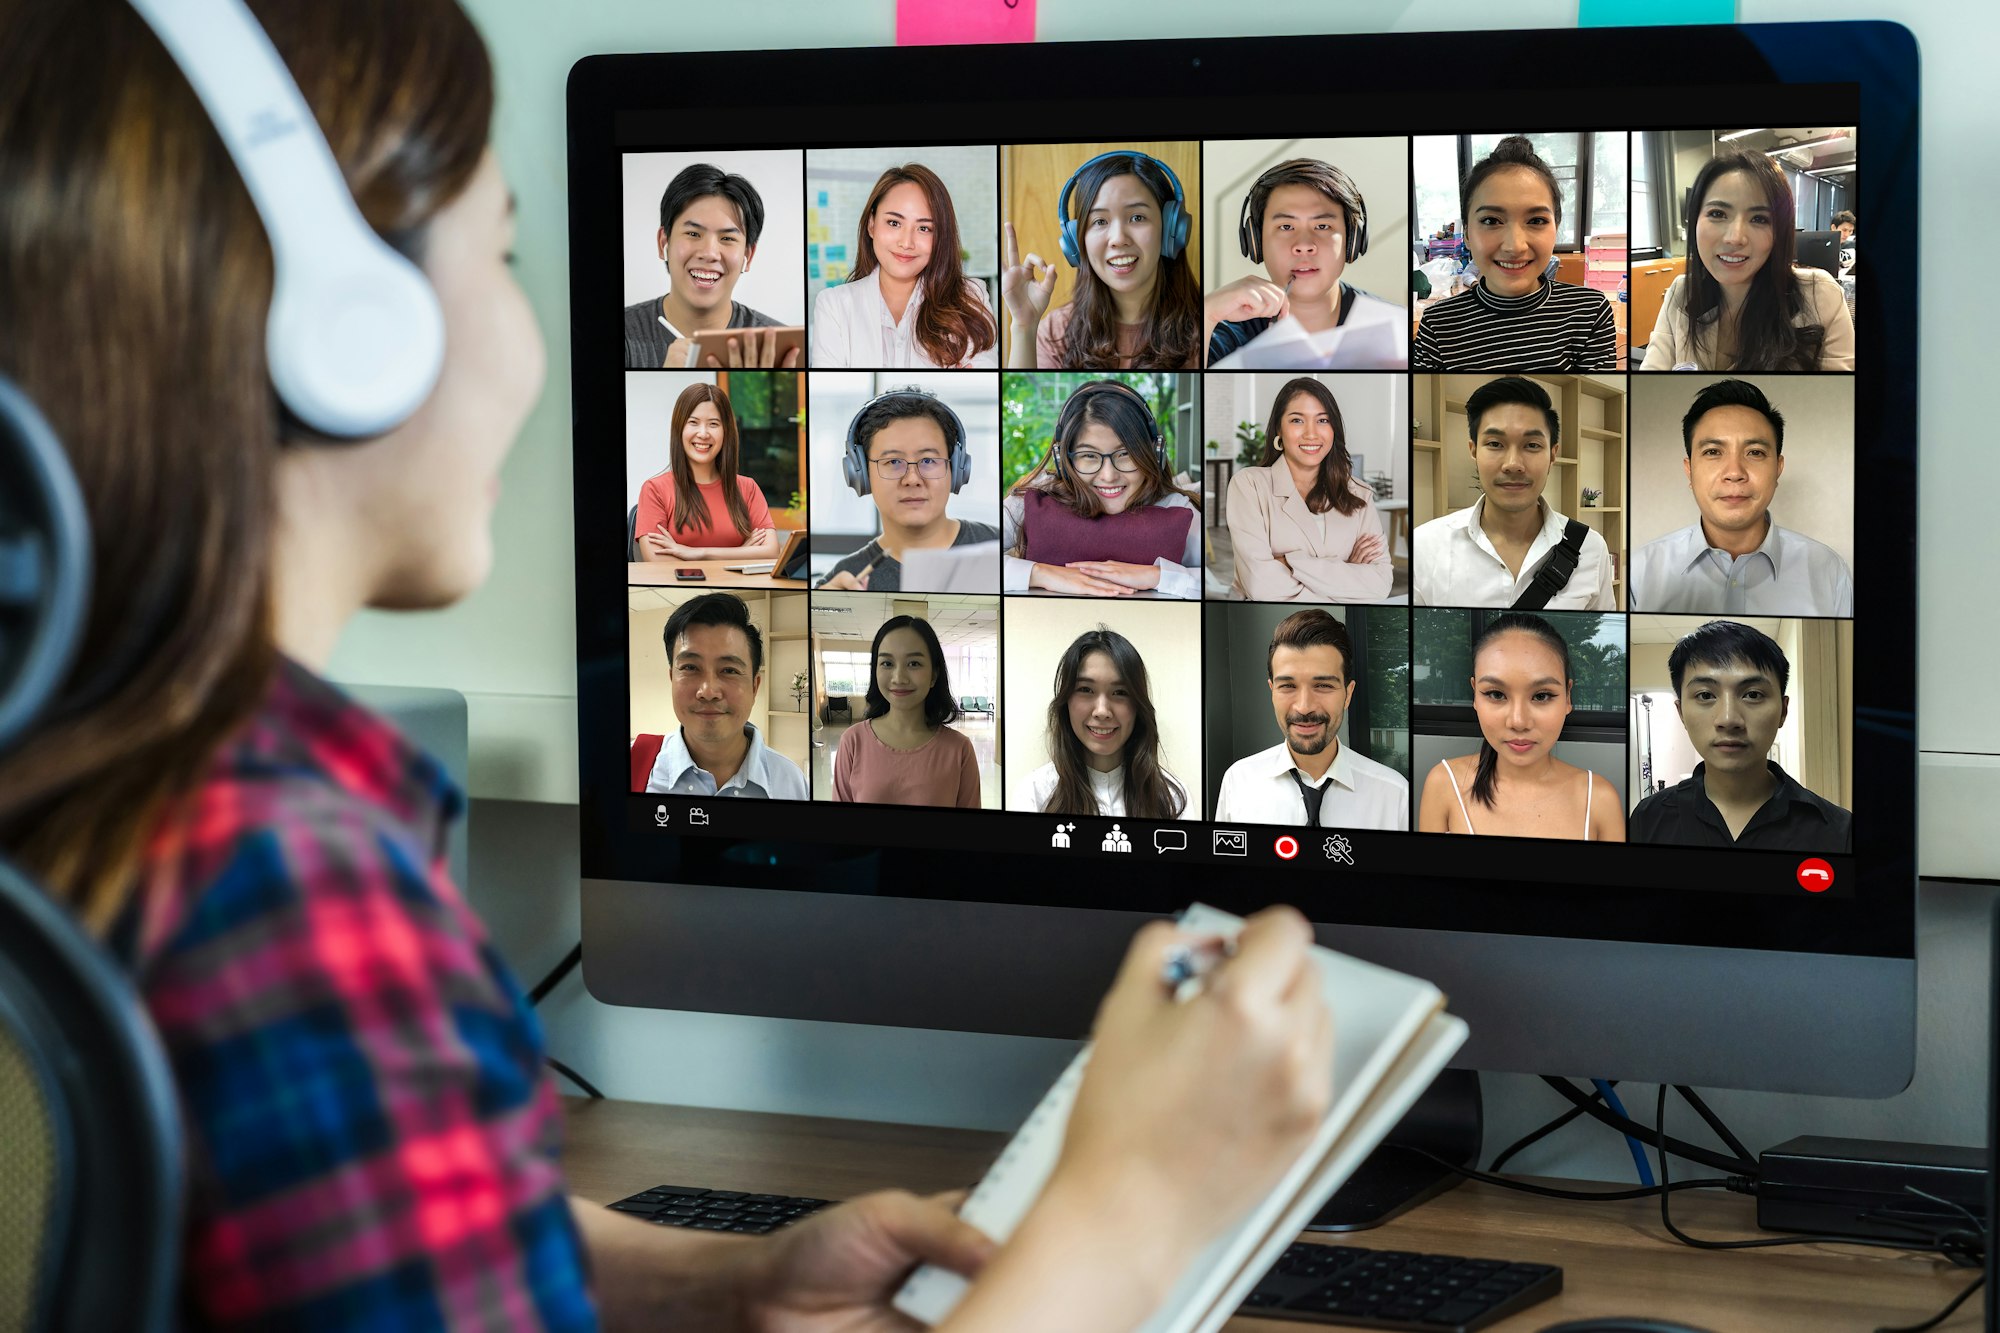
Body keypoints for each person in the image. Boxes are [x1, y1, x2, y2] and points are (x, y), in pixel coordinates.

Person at [0, 5, 1335, 1328]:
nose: (532, 348)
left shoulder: (95, 782)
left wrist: (729, 1279)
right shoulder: (290, 900)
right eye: (504, 259)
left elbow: (384, 1239)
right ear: (352, 334)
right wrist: (1141, 1201)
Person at [1629, 379, 1853, 616]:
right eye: (1713, 452)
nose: (1734, 473)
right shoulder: (1641, 571)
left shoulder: (1828, 570)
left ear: (1778, 468)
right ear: (1689, 470)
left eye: (1755, 452)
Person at [1630, 620, 1851, 850]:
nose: (1728, 719)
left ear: (1783, 711)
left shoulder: (1838, 831)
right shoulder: (1647, 819)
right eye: (1705, 695)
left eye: (1753, 694)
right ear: (1681, 713)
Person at [1411, 136, 1617, 371]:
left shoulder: (1589, 312)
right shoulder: (1438, 325)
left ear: (1556, 228)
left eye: (1536, 220)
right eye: (1491, 220)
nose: (1515, 246)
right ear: (1466, 233)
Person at [1640, 149, 1855, 372]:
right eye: (1717, 214)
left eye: (1759, 219)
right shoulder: (1681, 293)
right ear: (1694, 220)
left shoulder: (1820, 295)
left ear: (1779, 232)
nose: (1734, 238)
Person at [1412, 376, 1615, 610]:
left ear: (1552, 455)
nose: (1513, 464)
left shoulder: (1591, 548)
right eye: (1495, 444)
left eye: (1532, 445)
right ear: (1474, 451)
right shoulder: (1425, 546)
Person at [1418, 614, 1626, 840]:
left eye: (1542, 696)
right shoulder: (1444, 783)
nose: (1518, 721)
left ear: (1567, 697)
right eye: (1496, 694)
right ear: (1475, 694)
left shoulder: (1600, 799)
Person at [1003, 151, 1203, 369]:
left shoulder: (1209, 326)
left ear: (1171, 229)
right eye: (1100, 221)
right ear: (1077, 242)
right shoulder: (1056, 332)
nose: (1118, 239)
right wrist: (1024, 328)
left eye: (1137, 217)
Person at [1003, 380, 1201, 598]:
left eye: (1125, 454)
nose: (1108, 476)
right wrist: (1039, 574)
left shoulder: (1175, 507)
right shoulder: (1033, 499)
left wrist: (1157, 576)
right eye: (1089, 455)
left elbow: (1221, 583)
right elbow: (972, 562)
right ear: (1063, 461)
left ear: (1154, 454)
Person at [1213, 610, 1409, 829]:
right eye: (1287, 686)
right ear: (1272, 691)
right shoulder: (1238, 781)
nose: (1304, 707)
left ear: (1348, 694)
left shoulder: (1394, 794)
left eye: (1323, 686)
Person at [1204, 157, 1407, 367]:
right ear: (1255, 241)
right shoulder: (1219, 331)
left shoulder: (1395, 327)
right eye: (1286, 227)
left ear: (1353, 239)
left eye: (1322, 226)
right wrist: (1207, 313)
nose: (1303, 245)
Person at [810, 163, 999, 368]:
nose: (906, 243)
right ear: (871, 224)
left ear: (940, 236)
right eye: (894, 223)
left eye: (924, 228)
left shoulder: (970, 296)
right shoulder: (834, 305)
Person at [816, 388, 1000, 592]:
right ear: (862, 476)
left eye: (928, 460)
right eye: (893, 461)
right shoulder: (841, 582)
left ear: (956, 469)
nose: (912, 479)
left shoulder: (1003, 548)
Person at [1228, 378, 1393, 602]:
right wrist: (1347, 572)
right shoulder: (1249, 485)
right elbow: (1261, 588)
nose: (1311, 434)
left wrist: (1289, 562)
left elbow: (1380, 585)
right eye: (1297, 420)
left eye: (1322, 420)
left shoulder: (1358, 493)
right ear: (1279, 428)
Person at [622, 162, 800, 369]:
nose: (709, 253)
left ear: (748, 256)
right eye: (693, 234)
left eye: (727, 238)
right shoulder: (624, 333)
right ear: (664, 243)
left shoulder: (779, 348)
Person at [636, 593, 809, 799]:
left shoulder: (792, 784)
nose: (708, 692)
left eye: (729, 670)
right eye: (690, 667)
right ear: (672, 678)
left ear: (755, 687)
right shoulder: (633, 763)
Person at [1010, 626, 1190, 818]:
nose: (1102, 711)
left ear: (1138, 705)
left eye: (1120, 692)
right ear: (1066, 700)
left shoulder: (1172, 798)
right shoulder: (1034, 795)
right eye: (1086, 690)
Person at [831, 616, 982, 807]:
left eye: (914, 663)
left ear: (934, 675)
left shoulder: (959, 749)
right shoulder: (852, 741)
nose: (899, 678)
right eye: (887, 663)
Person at [632, 382, 779, 563]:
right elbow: (658, 563)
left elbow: (772, 551)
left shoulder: (747, 487)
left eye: (713, 424)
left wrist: (698, 553)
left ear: (726, 432)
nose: (703, 433)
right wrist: (740, 554)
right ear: (679, 429)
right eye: (693, 422)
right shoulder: (654, 490)